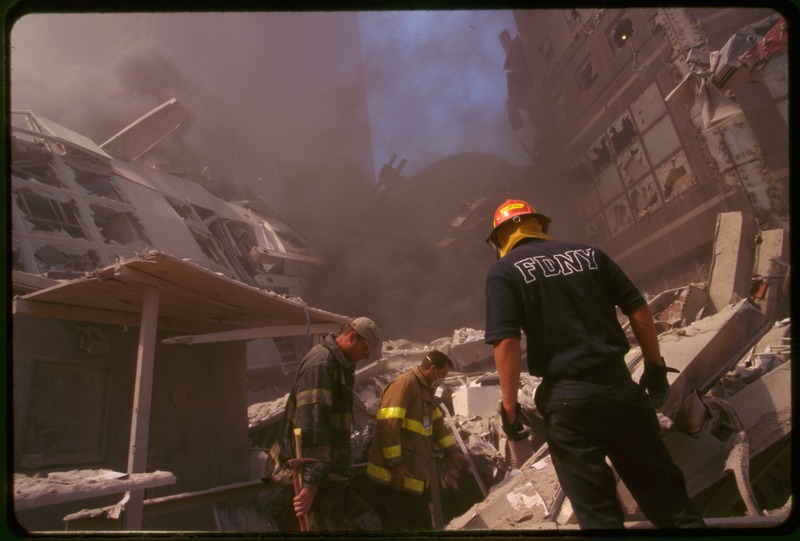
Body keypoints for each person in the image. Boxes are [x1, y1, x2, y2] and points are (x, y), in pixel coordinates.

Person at [483, 198, 705, 530]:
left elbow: (507, 342)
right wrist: (655, 368)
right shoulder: (590, 254)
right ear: (540, 226)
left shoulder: (503, 270)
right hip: (619, 389)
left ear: (500, 238)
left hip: (568, 402)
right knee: (674, 511)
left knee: (600, 521)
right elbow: (640, 310)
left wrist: (510, 408)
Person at [263, 316, 381, 531]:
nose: (365, 357)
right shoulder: (322, 365)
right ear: (352, 336)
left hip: (327, 479)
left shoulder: (340, 365)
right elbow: (311, 427)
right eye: (365, 350)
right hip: (309, 481)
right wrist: (309, 483)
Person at [366, 350, 471, 531]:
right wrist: (395, 465)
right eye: (442, 374)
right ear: (431, 369)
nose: (442, 379)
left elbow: (437, 425)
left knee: (421, 525)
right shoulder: (405, 385)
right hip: (394, 478)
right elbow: (388, 425)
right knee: (395, 527)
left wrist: (452, 451)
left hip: (413, 476)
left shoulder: (425, 390)